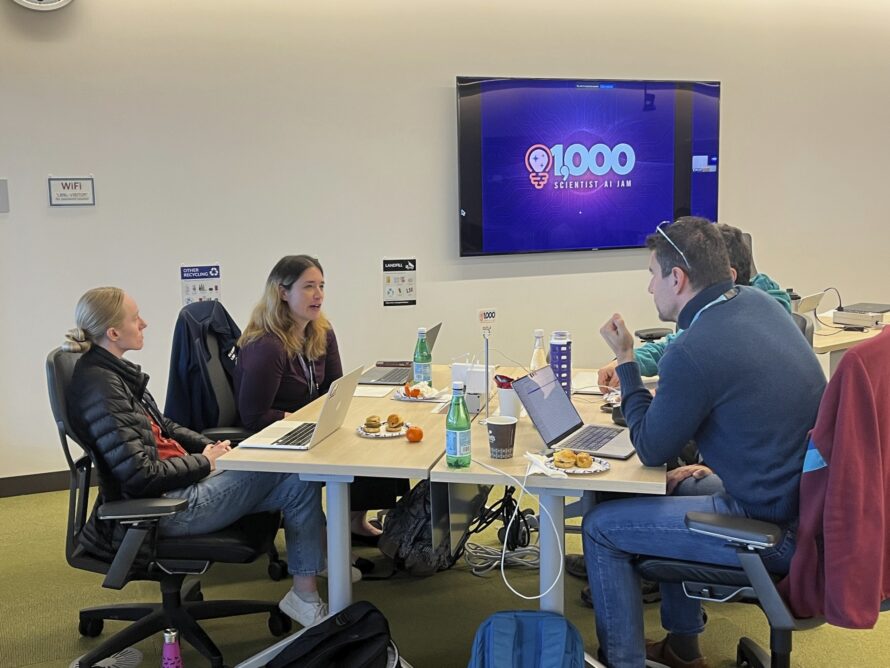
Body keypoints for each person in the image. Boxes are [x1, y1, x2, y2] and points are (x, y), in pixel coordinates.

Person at [583, 218, 825, 668]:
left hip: (771, 528)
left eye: (652, 275)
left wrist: (626, 359)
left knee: (600, 528)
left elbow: (651, 447)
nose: (649, 288)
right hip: (805, 508)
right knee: (672, 487)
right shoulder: (761, 304)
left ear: (677, 278)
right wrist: (715, 468)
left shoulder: (693, 349)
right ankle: (682, 649)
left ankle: (623, 661)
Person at [65, 287, 329, 628]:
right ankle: (317, 571)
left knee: (297, 481)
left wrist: (209, 445)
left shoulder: (114, 372)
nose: (143, 323)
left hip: (177, 486)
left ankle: (303, 596)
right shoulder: (101, 387)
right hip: (164, 508)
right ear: (113, 333)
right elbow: (140, 474)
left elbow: (165, 426)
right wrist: (207, 462)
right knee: (285, 464)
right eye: (135, 319)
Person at [235, 255, 406, 545]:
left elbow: (334, 388)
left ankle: (355, 521)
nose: (318, 295)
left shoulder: (320, 331)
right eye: (308, 287)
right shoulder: (267, 345)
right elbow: (253, 416)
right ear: (282, 292)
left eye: (322, 286)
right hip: (276, 434)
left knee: (373, 436)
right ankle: (325, 544)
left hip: (310, 424)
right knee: (356, 446)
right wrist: (299, 420)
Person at [597, 221, 792, 390]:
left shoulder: (737, 329)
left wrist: (626, 360)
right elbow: (673, 345)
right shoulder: (750, 308)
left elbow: (652, 432)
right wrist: (627, 360)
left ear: (726, 275)